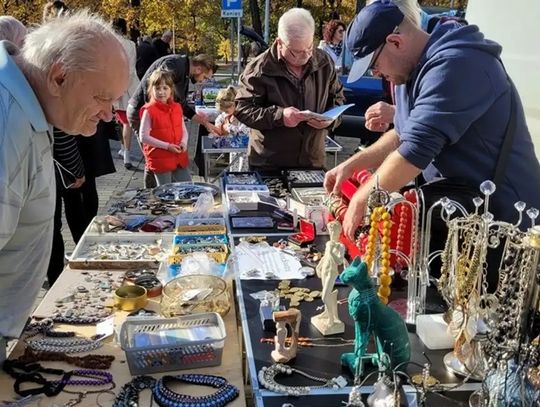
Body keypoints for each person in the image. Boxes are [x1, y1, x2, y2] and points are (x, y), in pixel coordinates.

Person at [324, 1, 540, 242]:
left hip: (506, 221)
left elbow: (415, 149)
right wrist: (353, 164)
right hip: (464, 213)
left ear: (395, 42)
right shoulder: (410, 72)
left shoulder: (458, 63)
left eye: (374, 65)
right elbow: (403, 135)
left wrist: (362, 198)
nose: (375, 74)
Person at [0, 11, 128, 361]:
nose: (108, 115)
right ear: (58, 77)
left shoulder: (31, 107)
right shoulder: (5, 124)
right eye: (102, 98)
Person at [235, 8, 344, 170]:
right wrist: (280, 116)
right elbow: (242, 109)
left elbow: (338, 98)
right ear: (280, 43)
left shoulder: (324, 62)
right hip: (270, 164)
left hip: (313, 161)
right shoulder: (259, 68)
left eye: (309, 48)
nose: (305, 56)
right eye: (297, 52)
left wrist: (331, 120)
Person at [127, 53, 218, 187]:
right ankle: (152, 197)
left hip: (158, 115)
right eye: (205, 77)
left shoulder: (184, 73)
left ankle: (170, 193)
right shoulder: (174, 66)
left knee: (169, 158)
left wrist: (204, 122)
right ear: (199, 69)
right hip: (140, 112)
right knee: (154, 159)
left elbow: (181, 106)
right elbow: (158, 88)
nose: (202, 81)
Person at [139, 70, 191, 185]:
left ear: (171, 89)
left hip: (178, 155)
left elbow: (183, 129)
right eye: (157, 88)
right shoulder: (149, 110)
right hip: (160, 158)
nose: (161, 92)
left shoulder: (177, 107)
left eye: (165, 88)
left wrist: (184, 142)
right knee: (165, 190)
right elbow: (143, 137)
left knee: (187, 186)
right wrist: (167, 146)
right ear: (151, 89)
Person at [112, 17, 140, 169]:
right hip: (129, 87)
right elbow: (130, 69)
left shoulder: (108, 44)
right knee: (127, 122)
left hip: (114, 87)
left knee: (122, 121)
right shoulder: (130, 44)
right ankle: (126, 153)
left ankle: (125, 152)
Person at [213, 86, 250, 171]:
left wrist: (228, 127)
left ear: (233, 105)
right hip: (233, 145)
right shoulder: (227, 113)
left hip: (244, 147)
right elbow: (219, 118)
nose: (225, 113)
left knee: (243, 169)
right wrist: (217, 126)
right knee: (233, 167)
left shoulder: (243, 114)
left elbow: (244, 131)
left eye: (226, 111)